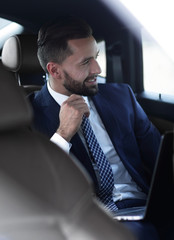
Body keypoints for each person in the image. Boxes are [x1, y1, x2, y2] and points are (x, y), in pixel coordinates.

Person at [29, 16, 161, 239]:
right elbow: (35, 188)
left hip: (143, 207)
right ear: (55, 70)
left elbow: (160, 156)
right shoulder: (25, 115)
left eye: (96, 57)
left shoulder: (121, 96)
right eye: (85, 62)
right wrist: (63, 134)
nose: (98, 69)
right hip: (85, 217)